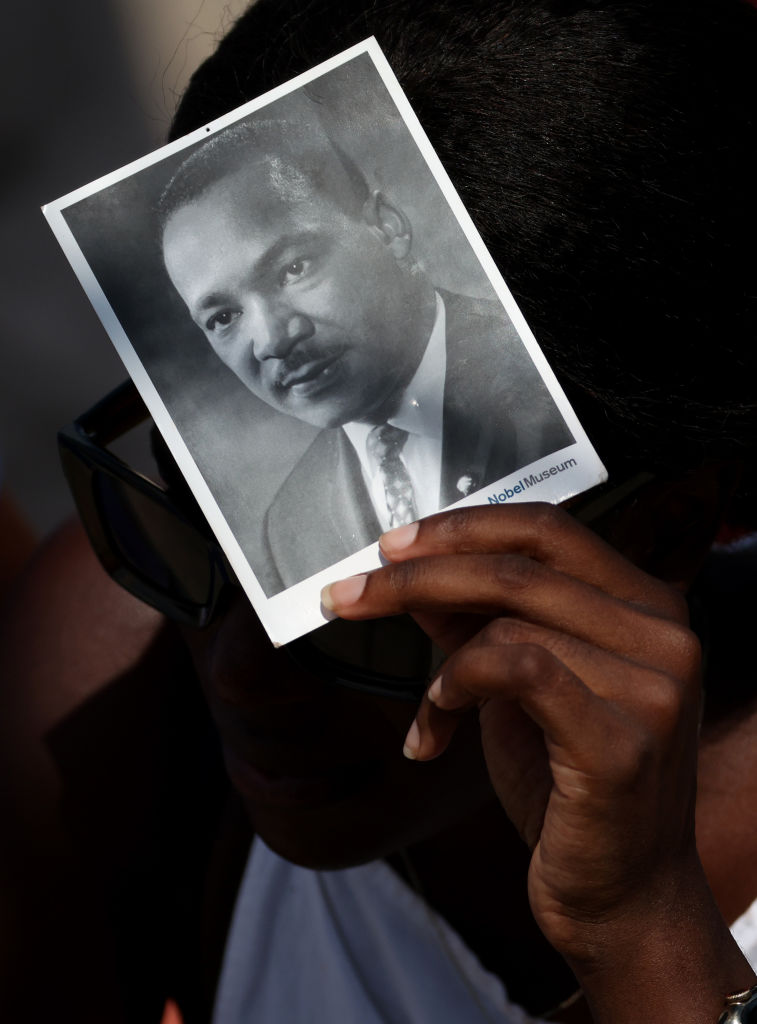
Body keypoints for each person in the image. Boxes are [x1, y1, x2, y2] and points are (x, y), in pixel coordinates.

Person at [2, 0, 757, 1022]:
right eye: (192, 523)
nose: (239, 665)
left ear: (667, 530)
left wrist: (641, 933)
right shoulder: (111, 697)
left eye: (389, 607)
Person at [158, 110, 573, 590]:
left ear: (388, 229)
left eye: (294, 268)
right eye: (223, 318)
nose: (272, 340)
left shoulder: (557, 373)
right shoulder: (289, 528)